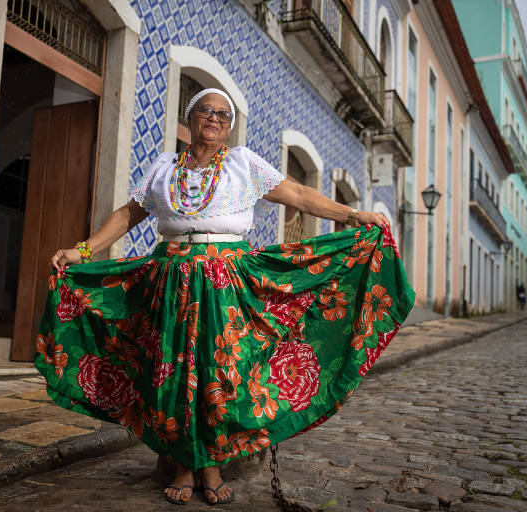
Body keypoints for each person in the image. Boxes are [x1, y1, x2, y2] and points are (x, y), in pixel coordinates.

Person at [40, 89, 415, 505]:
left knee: (221, 371)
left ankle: (212, 465)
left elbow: (298, 195)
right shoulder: (165, 167)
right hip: (170, 279)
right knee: (172, 371)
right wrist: (83, 251)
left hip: (225, 282)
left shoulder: (242, 163)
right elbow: (129, 213)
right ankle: (183, 465)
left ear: (230, 126)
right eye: (206, 111)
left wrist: (353, 215)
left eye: (223, 114)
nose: (215, 119)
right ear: (190, 117)